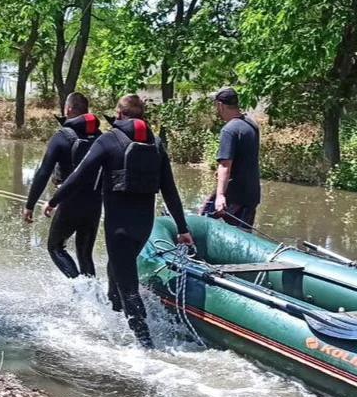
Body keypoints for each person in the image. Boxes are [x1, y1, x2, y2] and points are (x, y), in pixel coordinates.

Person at [45, 94, 193, 348]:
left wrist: (55, 199)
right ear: (143, 116)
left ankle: (146, 348)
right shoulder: (156, 144)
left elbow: (80, 175)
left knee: (128, 287)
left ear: (119, 113)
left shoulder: (108, 140)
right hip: (143, 226)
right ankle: (113, 321)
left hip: (119, 229)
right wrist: (182, 228)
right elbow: (170, 191)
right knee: (115, 271)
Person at [23, 92, 103, 278]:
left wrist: (30, 205)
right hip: (95, 201)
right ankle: (95, 297)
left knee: (55, 248)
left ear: (68, 109)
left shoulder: (62, 136)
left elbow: (43, 172)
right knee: (85, 254)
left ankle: (81, 291)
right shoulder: (100, 137)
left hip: (69, 200)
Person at [200, 87, 261, 230]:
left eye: (216, 105)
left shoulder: (229, 130)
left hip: (233, 196)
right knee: (243, 236)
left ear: (220, 105)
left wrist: (220, 195)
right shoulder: (251, 124)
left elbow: (225, 165)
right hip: (251, 194)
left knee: (201, 224)